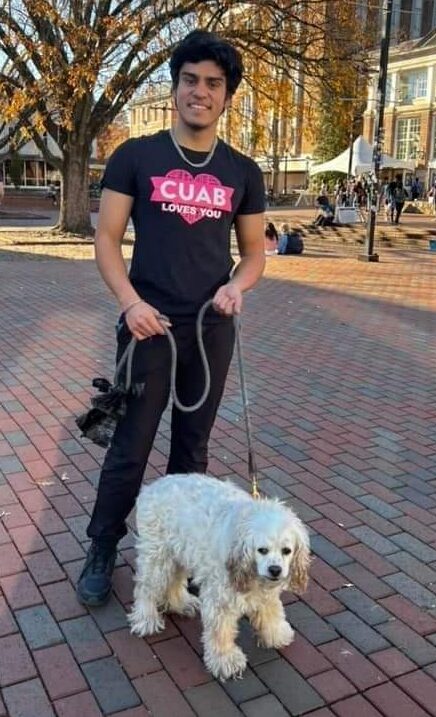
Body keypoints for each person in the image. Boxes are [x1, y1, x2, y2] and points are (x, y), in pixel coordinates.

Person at [76, 30, 266, 606]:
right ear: (176, 85)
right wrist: (130, 303)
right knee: (131, 447)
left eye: (213, 83)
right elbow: (106, 239)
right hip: (148, 325)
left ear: (226, 95)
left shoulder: (243, 170)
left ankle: (188, 560)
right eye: (189, 80)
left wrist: (237, 286)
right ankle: (103, 547)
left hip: (211, 329)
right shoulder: (136, 156)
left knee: (192, 451)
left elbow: (255, 252)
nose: (200, 92)